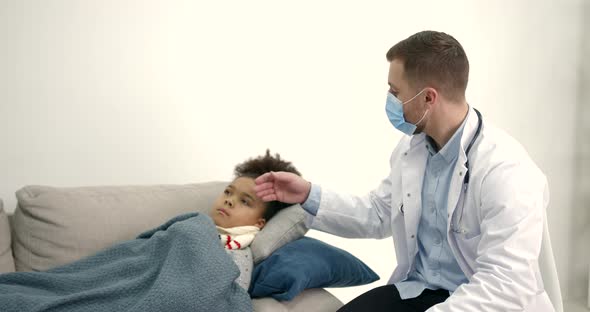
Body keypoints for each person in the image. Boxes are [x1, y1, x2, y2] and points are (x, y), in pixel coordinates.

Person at [254, 31, 553, 311]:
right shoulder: (412, 149)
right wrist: (307, 193)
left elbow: (505, 284)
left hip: (482, 301)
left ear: (428, 98)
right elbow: (379, 213)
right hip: (421, 289)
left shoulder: (506, 171)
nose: (390, 100)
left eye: (394, 91)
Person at [210, 149, 301, 289]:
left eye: (245, 201)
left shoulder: (239, 256)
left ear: (259, 223)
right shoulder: (192, 223)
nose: (229, 201)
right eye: (228, 192)